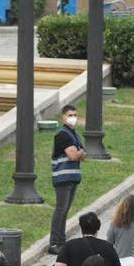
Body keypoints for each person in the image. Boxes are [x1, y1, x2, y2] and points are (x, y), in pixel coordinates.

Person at [48, 104, 87, 254]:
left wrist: (78, 152)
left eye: (75, 115)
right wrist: (78, 152)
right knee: (60, 210)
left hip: (72, 177)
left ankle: (61, 241)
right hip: (63, 177)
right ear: (63, 117)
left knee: (65, 211)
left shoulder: (74, 134)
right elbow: (73, 155)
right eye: (70, 115)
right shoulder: (62, 134)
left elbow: (83, 154)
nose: (73, 118)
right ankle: (54, 243)